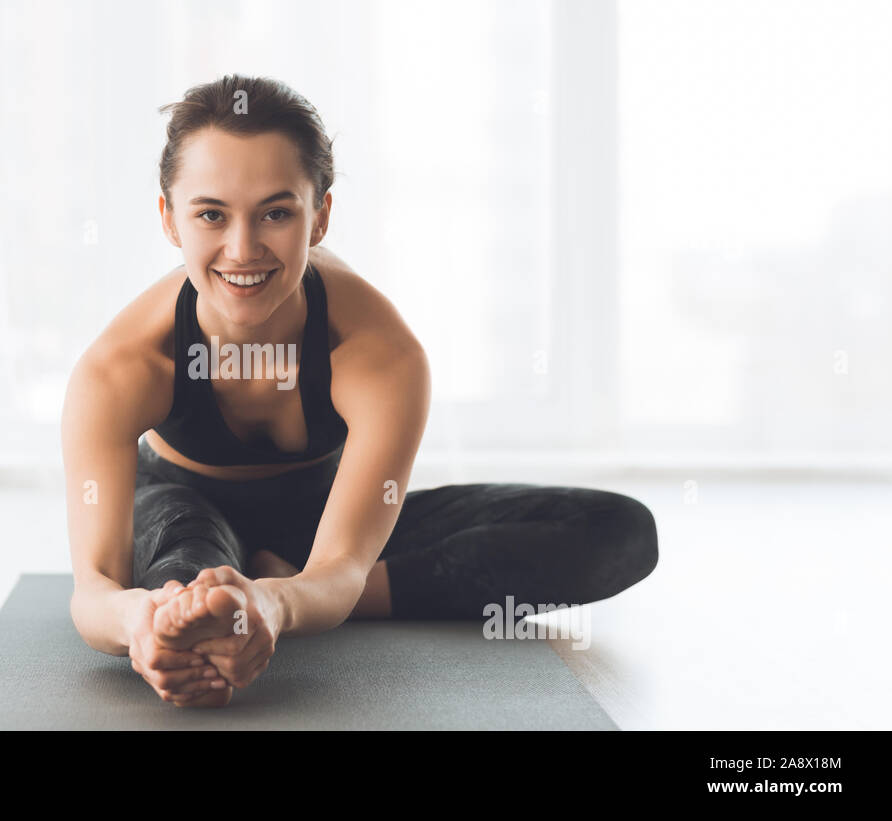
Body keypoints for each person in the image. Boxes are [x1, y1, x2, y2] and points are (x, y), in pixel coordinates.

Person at [61, 74, 658, 708]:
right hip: (183, 509)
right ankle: (246, 598)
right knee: (187, 588)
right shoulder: (122, 366)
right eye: (211, 214)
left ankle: (286, 589)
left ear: (319, 217)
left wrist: (280, 599)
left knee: (618, 530)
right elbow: (94, 588)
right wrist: (142, 624)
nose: (242, 249)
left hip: (326, 521)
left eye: (276, 212)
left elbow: (342, 561)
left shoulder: (379, 354)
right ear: (169, 219)